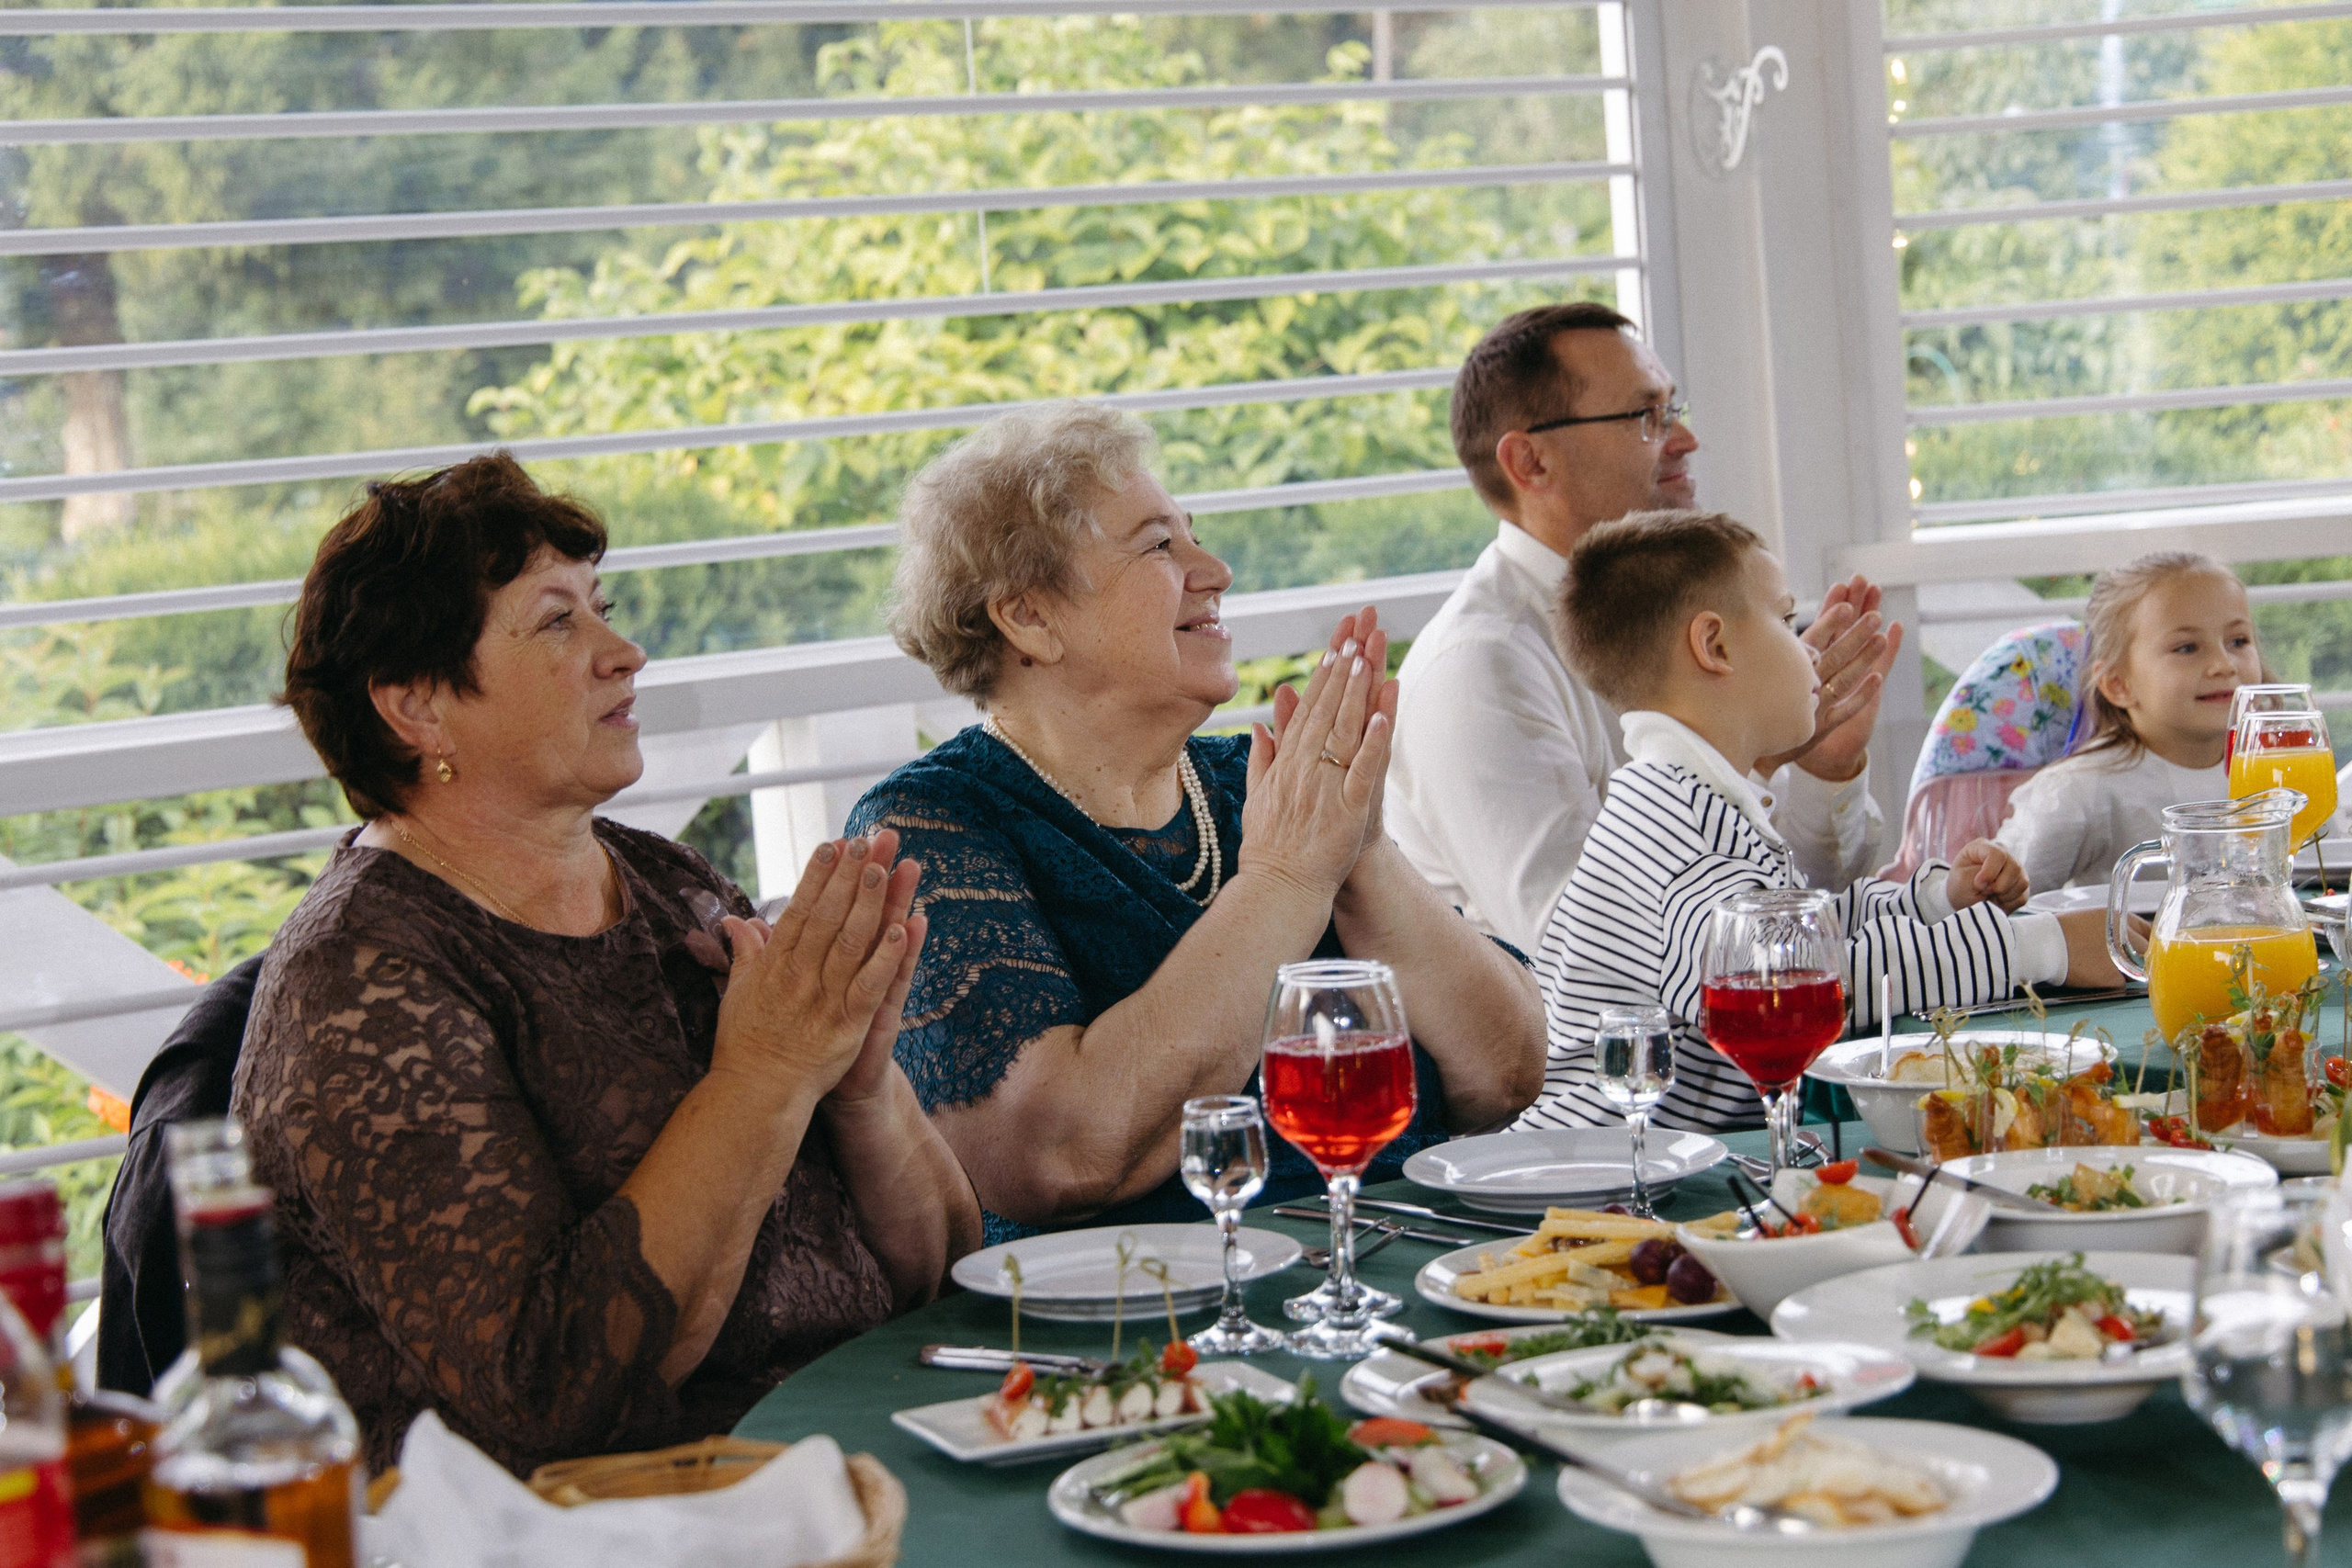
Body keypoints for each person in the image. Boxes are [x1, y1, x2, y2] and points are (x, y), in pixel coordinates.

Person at [236, 453, 979, 1476]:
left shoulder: (667, 883)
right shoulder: (361, 987)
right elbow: (552, 1397)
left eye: (603, 610)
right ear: (416, 708)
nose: (624, 652)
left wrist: (854, 1088)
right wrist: (761, 1076)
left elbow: (943, 1262)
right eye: (556, 623)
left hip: (854, 1452)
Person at [847, 403, 1546, 1243]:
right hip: (1146, 1328)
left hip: (1408, 1262)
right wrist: (1284, 884)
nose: (1212, 569)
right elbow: (1059, 1156)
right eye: (1158, 546)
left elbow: (1506, 1072)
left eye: (1195, 537)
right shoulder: (934, 824)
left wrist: (1360, 858)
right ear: (1029, 617)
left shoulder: (1261, 788)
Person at [1518, 511, 2125, 1131]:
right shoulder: (1679, 837)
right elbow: (1794, 988)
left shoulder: (1688, 800)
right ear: (1715, 646)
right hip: (1614, 1172)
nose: (1809, 648)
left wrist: (1938, 898)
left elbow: (1807, 931)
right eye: (1786, 621)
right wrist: (2040, 947)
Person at [1387, 302, 1901, 952]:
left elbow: (1793, 912)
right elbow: (1597, 952)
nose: (1684, 441)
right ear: (1530, 464)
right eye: (1645, 418)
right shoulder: (1479, 668)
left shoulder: (1690, 614)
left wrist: (1821, 767)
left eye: (1672, 412)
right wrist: (1753, 765)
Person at [1995, 552, 2268, 891]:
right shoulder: (2080, 791)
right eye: (2186, 648)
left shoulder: (2281, 772)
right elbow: (2001, 901)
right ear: (2118, 685)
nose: (2224, 665)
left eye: (2238, 641)